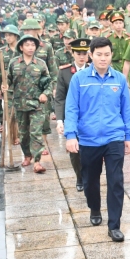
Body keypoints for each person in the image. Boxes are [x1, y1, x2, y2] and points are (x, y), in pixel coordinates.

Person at [64, 37, 130, 241]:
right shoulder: (80, 79)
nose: (103, 58)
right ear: (91, 55)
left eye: (107, 54)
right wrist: (71, 135)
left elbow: (126, 110)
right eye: (99, 54)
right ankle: (94, 208)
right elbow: (72, 108)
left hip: (114, 137)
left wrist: (128, 136)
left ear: (111, 55)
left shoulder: (119, 79)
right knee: (90, 181)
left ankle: (114, 225)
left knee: (116, 181)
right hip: (88, 139)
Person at [4, 34, 52, 173]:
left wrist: (45, 94)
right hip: (20, 104)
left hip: (37, 105)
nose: (31, 48)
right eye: (27, 45)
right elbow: (8, 82)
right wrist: (4, 87)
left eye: (33, 45)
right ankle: (27, 155)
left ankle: (37, 162)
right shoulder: (14, 63)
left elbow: (48, 83)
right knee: (23, 134)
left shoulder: (41, 64)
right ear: (21, 47)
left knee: (35, 133)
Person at [55, 38, 90, 192]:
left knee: (91, 148)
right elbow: (60, 98)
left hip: (91, 115)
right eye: (78, 53)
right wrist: (60, 120)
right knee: (75, 151)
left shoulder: (95, 70)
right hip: (72, 116)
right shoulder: (65, 72)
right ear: (73, 53)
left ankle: (90, 175)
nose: (82, 56)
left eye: (84, 53)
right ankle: (80, 177)